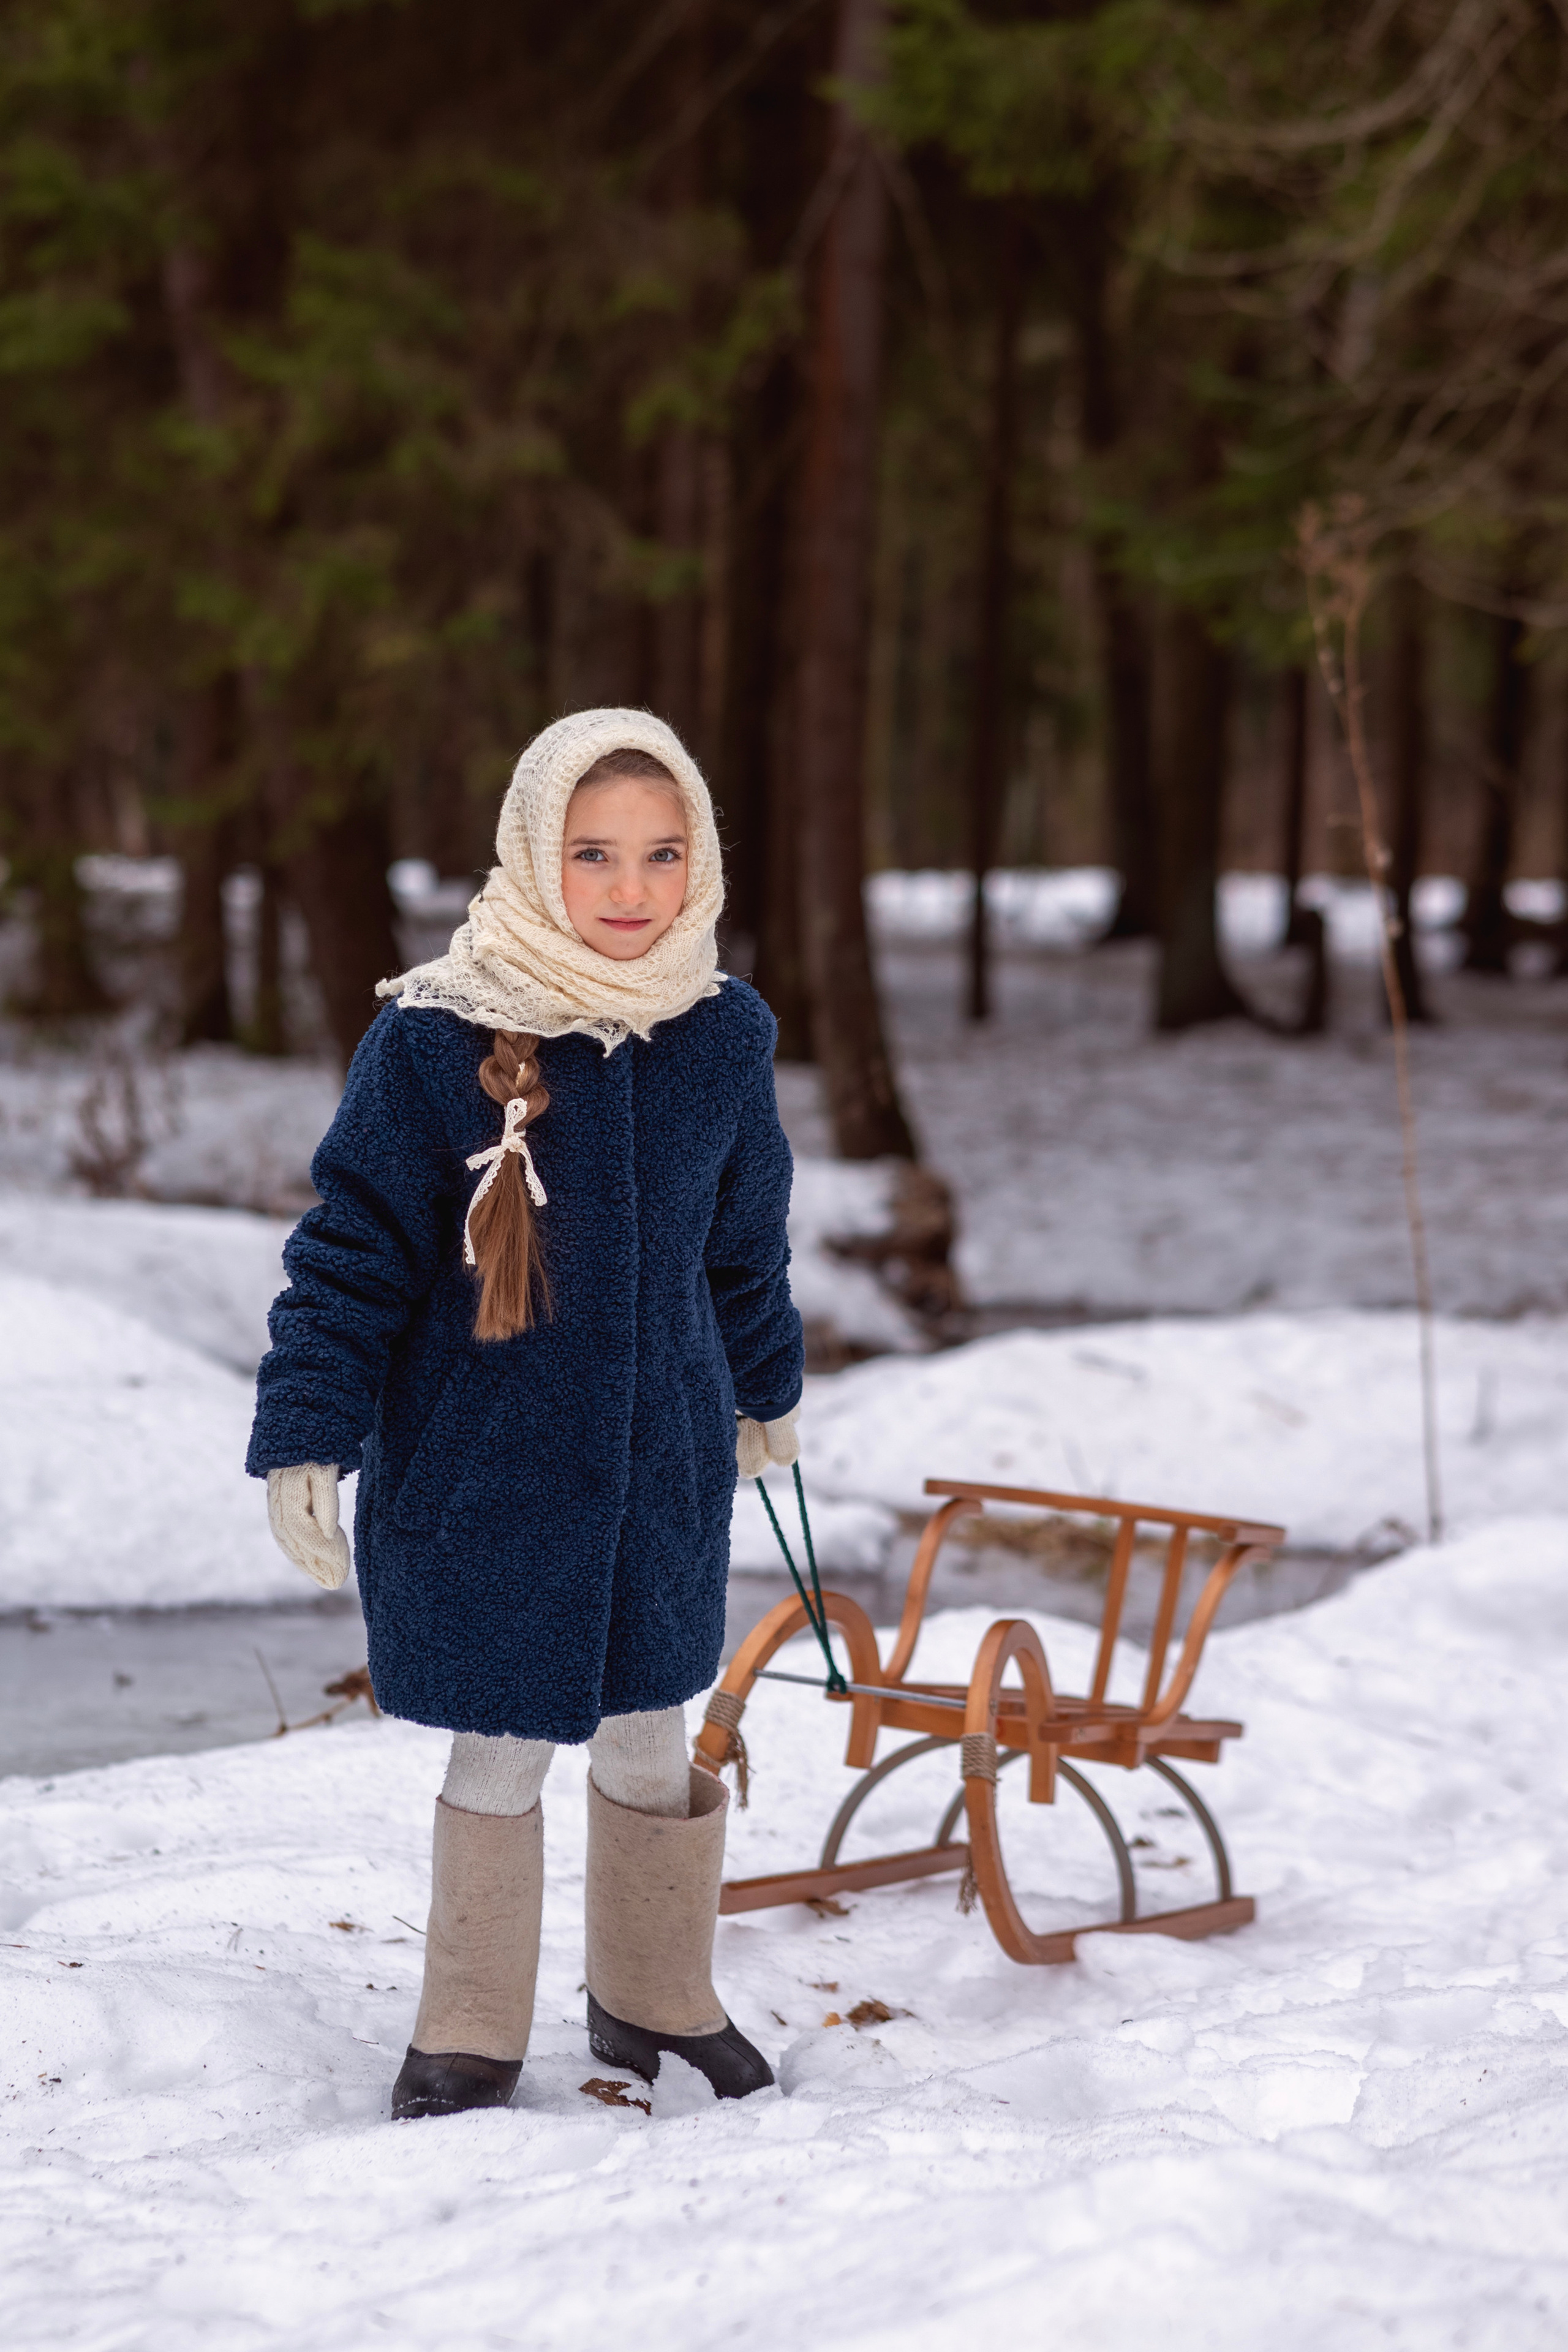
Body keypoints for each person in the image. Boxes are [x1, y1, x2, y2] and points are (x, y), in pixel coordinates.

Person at [247, 709, 804, 2119]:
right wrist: (308, 1428)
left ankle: (652, 1994)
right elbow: (354, 1246)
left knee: (647, 1733)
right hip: (484, 1471)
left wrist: (763, 1392)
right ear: (532, 854)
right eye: (595, 853)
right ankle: (469, 2024)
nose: (630, 887)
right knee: (501, 1742)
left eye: (661, 853)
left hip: (659, 1461)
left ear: (702, 862)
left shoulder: (723, 1035)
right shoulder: (432, 1039)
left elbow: (743, 1246)